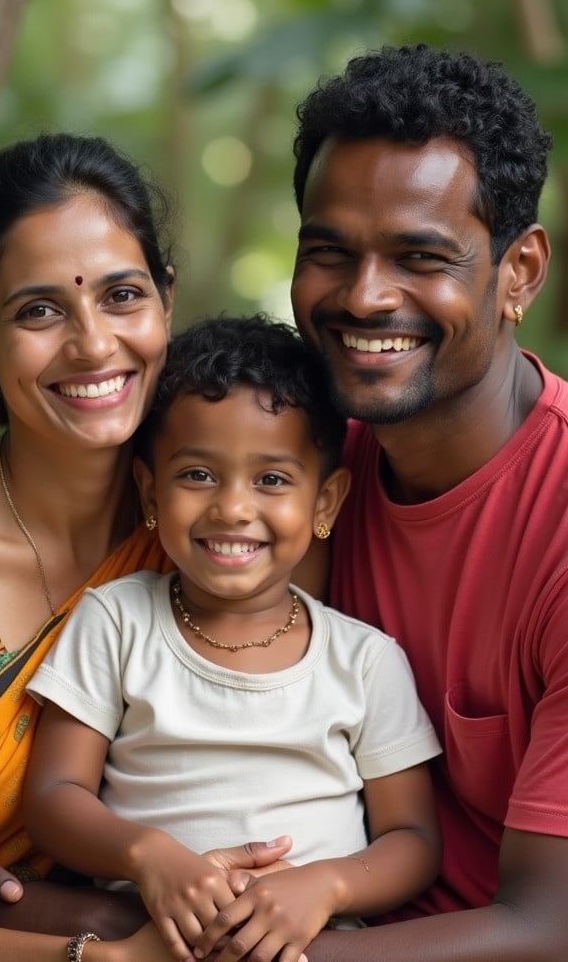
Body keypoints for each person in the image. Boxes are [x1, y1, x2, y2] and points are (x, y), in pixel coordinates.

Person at [0, 134, 287, 962]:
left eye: (122, 296)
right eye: (39, 310)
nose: (95, 345)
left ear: (166, 301)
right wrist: (107, 959)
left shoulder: (216, 528)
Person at [280, 42, 568, 962]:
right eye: (330, 252)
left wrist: (189, 950)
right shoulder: (303, 473)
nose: (364, 295)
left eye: (419, 256)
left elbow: (552, 935)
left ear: (518, 273)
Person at [23, 314, 442, 962]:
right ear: (149, 489)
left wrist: (325, 887)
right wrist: (149, 856)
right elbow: (54, 797)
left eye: (272, 480)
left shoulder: (364, 661)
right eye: (197, 474)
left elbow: (412, 839)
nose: (233, 508)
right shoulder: (115, 621)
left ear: (326, 503)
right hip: (149, 941)